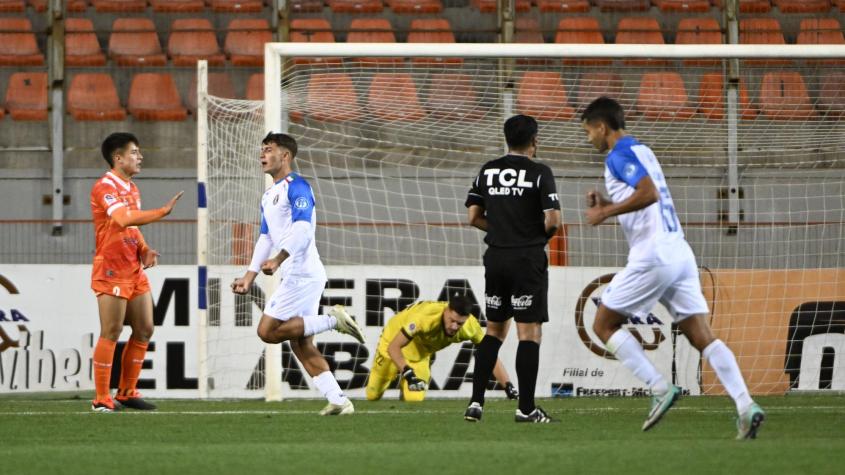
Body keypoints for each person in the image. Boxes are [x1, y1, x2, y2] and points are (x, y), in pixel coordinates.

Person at [580, 96, 765, 439]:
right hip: (679, 252)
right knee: (701, 336)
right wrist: (609, 203)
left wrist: (605, 213)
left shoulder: (618, 155)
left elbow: (649, 194)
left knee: (603, 323)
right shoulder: (643, 150)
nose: (589, 138)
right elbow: (646, 199)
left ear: (602, 127)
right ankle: (745, 405)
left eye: (589, 131)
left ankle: (658, 386)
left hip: (653, 255)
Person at [231, 132, 366, 416]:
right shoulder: (269, 195)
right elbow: (266, 237)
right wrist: (249, 276)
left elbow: (304, 230)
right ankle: (339, 400)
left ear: (285, 156)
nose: (262, 155)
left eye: (269, 150)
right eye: (262, 150)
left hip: (302, 273)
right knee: (301, 343)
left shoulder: (298, 187)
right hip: (297, 272)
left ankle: (332, 321)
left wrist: (279, 259)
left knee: (267, 331)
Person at [463, 115, 562, 423]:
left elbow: (473, 216)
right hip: (526, 259)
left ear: (507, 139)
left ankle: (476, 403)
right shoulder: (539, 172)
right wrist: (529, 237)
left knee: (493, 331)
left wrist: (504, 231)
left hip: (495, 258)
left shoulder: (488, 170)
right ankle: (526, 408)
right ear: (534, 140)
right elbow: (553, 221)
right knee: (528, 333)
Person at [89, 132, 183, 412]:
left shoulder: (132, 188)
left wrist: (144, 249)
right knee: (112, 330)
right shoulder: (104, 186)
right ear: (117, 158)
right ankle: (101, 399)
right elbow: (122, 218)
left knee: (144, 328)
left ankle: (127, 392)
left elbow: (131, 227)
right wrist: (162, 212)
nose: (139, 157)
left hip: (133, 267)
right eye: (134, 152)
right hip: (111, 267)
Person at [366, 296, 519, 402]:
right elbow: (394, 347)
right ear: (446, 311)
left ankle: (404, 393)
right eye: (452, 320)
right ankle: (398, 377)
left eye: (459, 323)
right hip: (392, 342)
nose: (454, 327)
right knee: (373, 395)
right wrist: (408, 373)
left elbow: (489, 355)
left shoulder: (470, 327)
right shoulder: (424, 318)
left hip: (419, 353)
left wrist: (508, 386)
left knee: (414, 399)